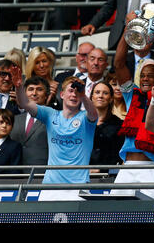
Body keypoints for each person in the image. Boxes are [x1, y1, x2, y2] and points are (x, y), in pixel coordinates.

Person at [110, 10, 154, 200]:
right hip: (127, 168)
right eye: (143, 75)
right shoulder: (133, 96)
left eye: (151, 75)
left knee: (147, 216)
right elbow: (119, 64)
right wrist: (128, 28)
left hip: (152, 168)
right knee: (113, 213)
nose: (146, 78)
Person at [13, 65, 98, 201]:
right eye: (70, 91)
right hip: (50, 185)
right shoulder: (50, 114)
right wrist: (18, 86)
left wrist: (84, 96)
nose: (74, 94)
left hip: (78, 186)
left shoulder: (85, 117)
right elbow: (25, 103)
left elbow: (93, 114)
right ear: (62, 94)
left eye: (77, 92)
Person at [10, 77, 50, 173]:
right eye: (30, 89)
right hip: (14, 173)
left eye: (39, 89)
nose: (34, 93)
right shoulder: (15, 119)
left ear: (46, 95)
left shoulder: (53, 118)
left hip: (42, 174)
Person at [89, 81, 124, 173]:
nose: (100, 96)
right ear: (91, 97)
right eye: (97, 92)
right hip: (82, 175)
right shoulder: (82, 122)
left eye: (105, 93)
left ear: (111, 99)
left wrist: (101, 169)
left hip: (108, 177)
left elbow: (121, 156)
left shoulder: (119, 125)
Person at [0, 59, 21, 138]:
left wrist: (21, 105)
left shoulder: (19, 100)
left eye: (11, 75)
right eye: (3, 74)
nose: (7, 78)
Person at [0, 109, 22, 174]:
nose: (4, 126)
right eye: (1, 122)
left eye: (8, 123)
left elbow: (15, 172)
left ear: (12, 127)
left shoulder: (15, 146)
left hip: (1, 182)